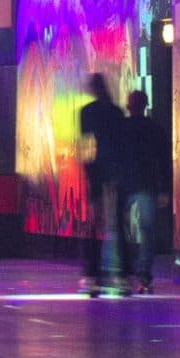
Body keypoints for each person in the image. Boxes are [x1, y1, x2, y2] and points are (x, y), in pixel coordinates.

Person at [76, 73, 123, 294]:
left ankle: (92, 274)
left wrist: (87, 171)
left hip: (95, 170)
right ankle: (120, 274)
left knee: (94, 225)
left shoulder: (86, 112)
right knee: (116, 224)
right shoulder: (116, 112)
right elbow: (121, 145)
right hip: (115, 171)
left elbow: (86, 144)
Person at [115, 88, 165, 295]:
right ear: (146, 106)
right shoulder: (154, 128)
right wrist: (163, 189)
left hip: (125, 184)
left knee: (121, 231)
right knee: (147, 230)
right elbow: (161, 161)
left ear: (129, 106)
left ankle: (124, 274)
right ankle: (143, 274)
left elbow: (114, 155)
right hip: (147, 185)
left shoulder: (121, 128)